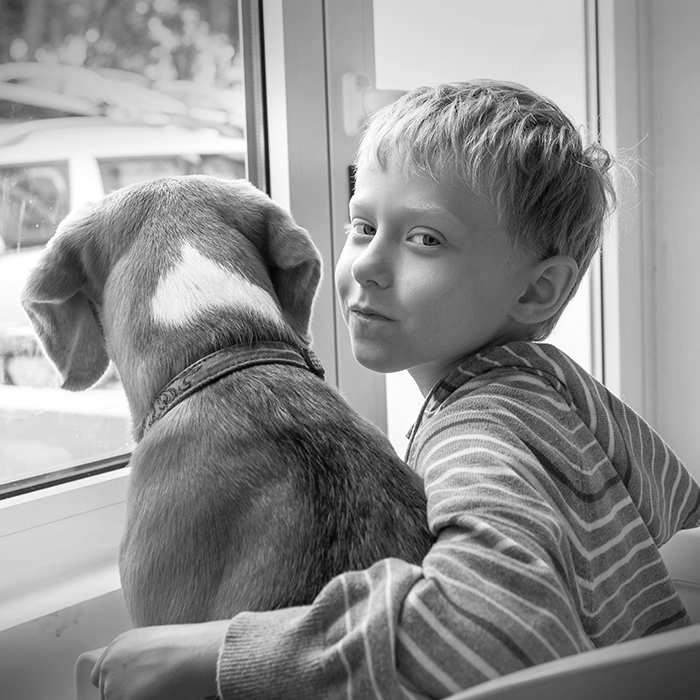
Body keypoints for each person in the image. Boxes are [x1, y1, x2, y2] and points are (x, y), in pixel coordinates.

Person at [91, 80, 700, 700]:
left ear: (537, 291)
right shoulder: (554, 395)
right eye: (363, 225)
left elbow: (496, 637)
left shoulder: (481, 432)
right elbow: (675, 501)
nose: (366, 266)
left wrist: (223, 652)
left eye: (425, 239)